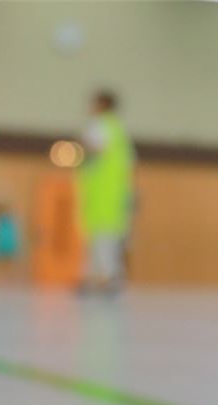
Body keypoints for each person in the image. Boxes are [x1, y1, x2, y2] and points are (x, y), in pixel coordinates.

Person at [76, 89, 135, 294]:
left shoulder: (100, 126)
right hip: (114, 194)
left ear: (102, 105)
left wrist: (81, 149)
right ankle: (98, 279)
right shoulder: (120, 130)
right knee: (106, 239)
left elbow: (94, 148)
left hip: (102, 194)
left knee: (101, 239)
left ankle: (106, 279)